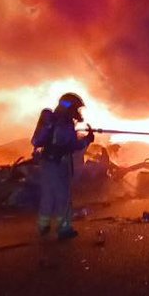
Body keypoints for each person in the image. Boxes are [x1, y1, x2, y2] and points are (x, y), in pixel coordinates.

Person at [31, 92, 94, 238]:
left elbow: (58, 140)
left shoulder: (54, 121)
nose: (78, 112)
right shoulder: (64, 124)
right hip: (58, 164)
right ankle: (64, 229)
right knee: (63, 197)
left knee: (48, 195)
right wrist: (87, 140)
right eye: (76, 108)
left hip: (47, 162)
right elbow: (70, 144)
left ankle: (43, 226)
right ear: (69, 107)